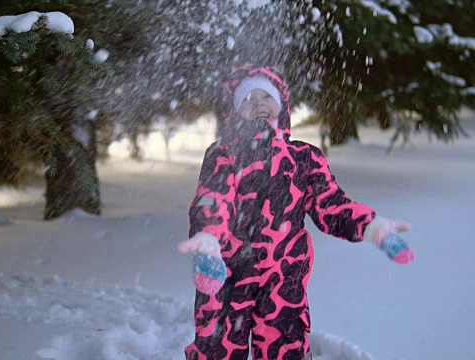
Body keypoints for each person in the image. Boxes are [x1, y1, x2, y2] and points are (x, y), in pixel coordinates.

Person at [177, 64, 415, 360]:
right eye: (248, 98)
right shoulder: (223, 153)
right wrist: (209, 240)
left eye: (266, 96)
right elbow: (213, 199)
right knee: (217, 346)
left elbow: (330, 204)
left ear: (282, 103)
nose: (258, 104)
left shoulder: (304, 158)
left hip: (284, 275)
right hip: (226, 271)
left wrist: (371, 226)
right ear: (235, 110)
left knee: (286, 346)